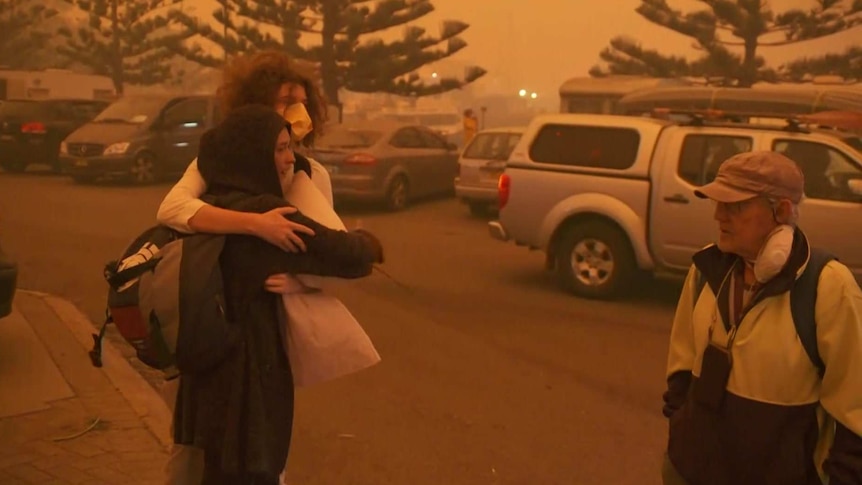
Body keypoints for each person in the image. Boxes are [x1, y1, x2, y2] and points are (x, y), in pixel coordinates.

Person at [172, 103, 384, 485]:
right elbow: (348, 258)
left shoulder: (211, 205)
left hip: (205, 376)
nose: (290, 158)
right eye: (280, 148)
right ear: (253, 155)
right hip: (248, 385)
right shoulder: (270, 215)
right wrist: (368, 242)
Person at [157, 50, 334, 485]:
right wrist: (256, 225)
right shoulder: (216, 161)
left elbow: (329, 256)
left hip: (271, 335)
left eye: (300, 101)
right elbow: (174, 208)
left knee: (265, 443)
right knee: (193, 449)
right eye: (282, 101)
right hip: (211, 321)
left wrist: (294, 281)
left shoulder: (314, 174)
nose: (294, 112)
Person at [662, 150, 862, 485]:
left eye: (735, 206)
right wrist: (679, 441)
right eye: (717, 203)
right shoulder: (705, 271)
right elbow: (681, 365)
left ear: (781, 211)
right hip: (690, 470)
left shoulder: (828, 286)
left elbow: (854, 407)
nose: (718, 215)